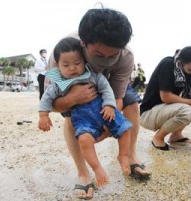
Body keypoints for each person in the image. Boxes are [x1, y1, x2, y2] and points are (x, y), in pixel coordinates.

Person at [49, 8, 150, 199]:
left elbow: (118, 96)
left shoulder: (126, 55)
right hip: (74, 88)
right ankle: (83, 172)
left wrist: (107, 123)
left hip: (105, 86)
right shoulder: (63, 54)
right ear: (83, 43)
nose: (104, 61)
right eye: (98, 54)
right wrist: (73, 99)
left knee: (132, 102)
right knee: (73, 116)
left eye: (112, 56)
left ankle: (129, 155)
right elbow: (50, 104)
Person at [38, 37, 133, 191]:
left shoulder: (93, 75)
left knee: (125, 129)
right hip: (82, 119)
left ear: (84, 60)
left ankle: (123, 155)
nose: (72, 68)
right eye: (66, 65)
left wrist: (109, 105)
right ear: (57, 65)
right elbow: (46, 98)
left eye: (77, 63)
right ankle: (96, 168)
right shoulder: (58, 83)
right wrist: (43, 116)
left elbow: (106, 88)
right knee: (84, 140)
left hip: (104, 110)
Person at [140, 46, 191, 151]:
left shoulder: (189, 72)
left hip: (163, 110)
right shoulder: (168, 64)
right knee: (188, 110)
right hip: (148, 114)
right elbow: (165, 96)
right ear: (182, 62)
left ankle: (176, 135)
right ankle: (158, 138)